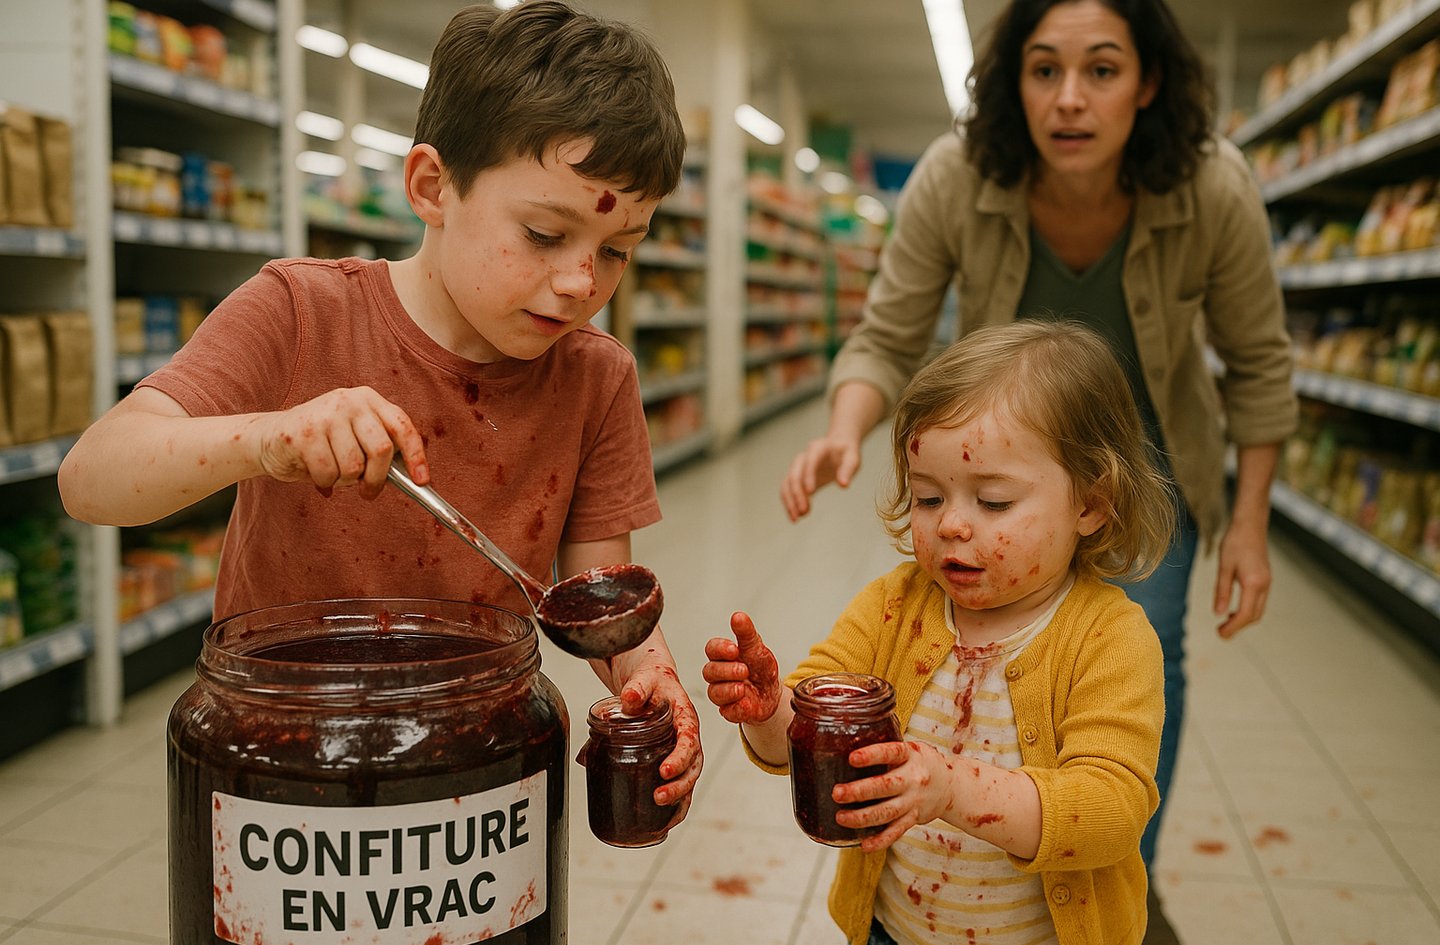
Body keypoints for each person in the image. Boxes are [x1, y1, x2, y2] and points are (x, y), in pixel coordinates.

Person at [58, 1, 701, 816]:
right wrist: (269, 438)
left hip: (479, 756)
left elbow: (598, 597)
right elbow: (91, 479)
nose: (582, 284)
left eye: (616, 250)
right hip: (289, 753)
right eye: (544, 234)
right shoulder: (298, 311)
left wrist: (655, 682)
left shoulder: (597, 379)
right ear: (432, 186)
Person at [779, 0, 1297, 895]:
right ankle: (981, 843)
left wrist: (1248, 524)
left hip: (1153, 470)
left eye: (1101, 70)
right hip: (1001, 470)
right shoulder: (957, 176)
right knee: (989, 648)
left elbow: (1258, 366)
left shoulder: (1212, 188)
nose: (1069, 99)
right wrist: (841, 428)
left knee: (1137, 658)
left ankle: (1120, 868)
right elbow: (889, 333)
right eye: (1043, 69)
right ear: (1012, 82)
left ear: (1148, 83)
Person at [708, 321, 1175, 945]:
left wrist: (953, 788)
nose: (952, 524)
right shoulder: (894, 607)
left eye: (994, 502)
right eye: (928, 499)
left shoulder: (1109, 640)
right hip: (894, 930)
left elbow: (1111, 810)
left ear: (1090, 504)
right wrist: (770, 714)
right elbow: (810, 723)